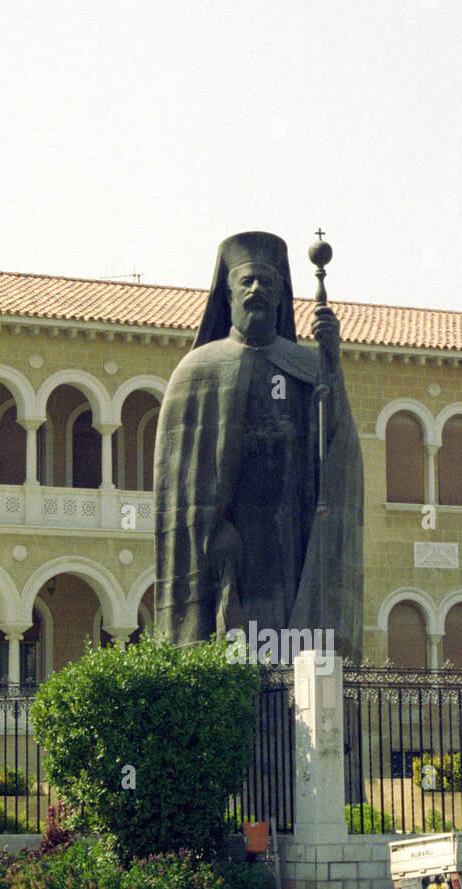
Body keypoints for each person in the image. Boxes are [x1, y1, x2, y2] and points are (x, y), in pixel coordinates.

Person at [154, 231, 364, 661]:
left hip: (290, 541)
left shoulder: (308, 367)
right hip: (227, 547)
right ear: (227, 296)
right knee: (234, 648)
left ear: (282, 297)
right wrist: (212, 532)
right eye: (247, 282)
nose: (256, 291)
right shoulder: (197, 370)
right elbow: (178, 488)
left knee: (290, 651)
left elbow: (337, 446)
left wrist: (333, 362)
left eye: (267, 284)